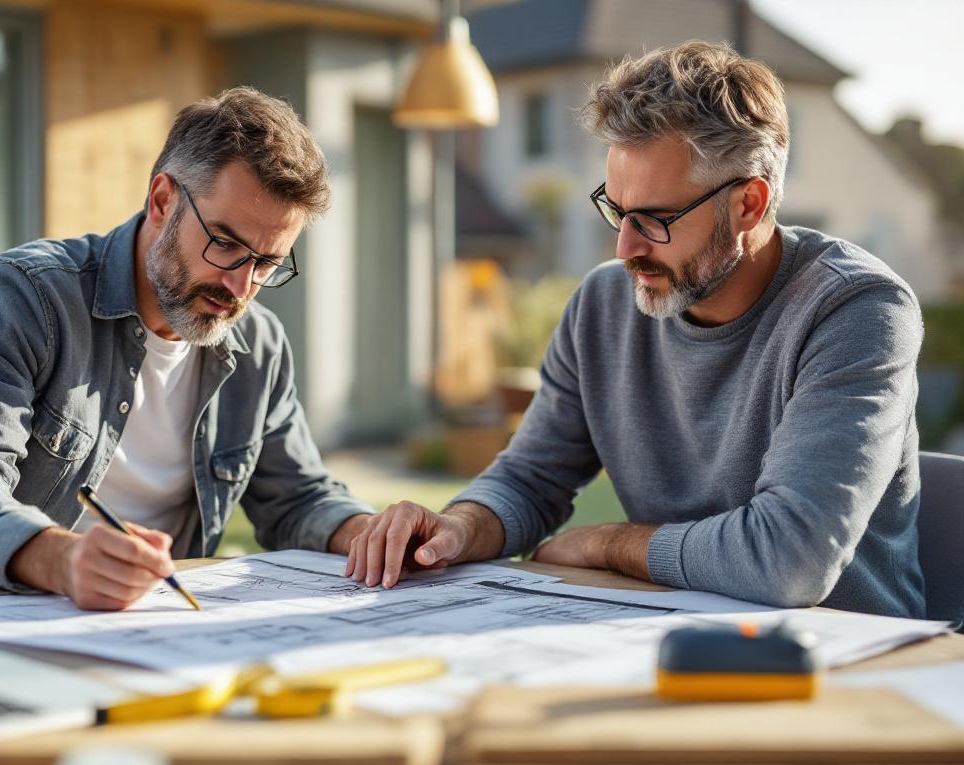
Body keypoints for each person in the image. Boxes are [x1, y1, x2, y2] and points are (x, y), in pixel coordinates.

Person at [344, 41, 925, 618]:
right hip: (665, 635)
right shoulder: (603, 305)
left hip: (850, 651)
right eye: (617, 210)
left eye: (656, 218)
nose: (625, 248)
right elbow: (530, 478)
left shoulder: (858, 310)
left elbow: (790, 559)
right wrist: (459, 527)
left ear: (749, 204)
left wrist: (609, 545)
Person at [0, 87, 374, 609]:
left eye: (267, 263)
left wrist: (374, 534)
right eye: (225, 244)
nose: (240, 287)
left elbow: (297, 499)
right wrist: (61, 561)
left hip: (139, 629)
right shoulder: (27, 297)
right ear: (162, 201)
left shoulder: (258, 344)